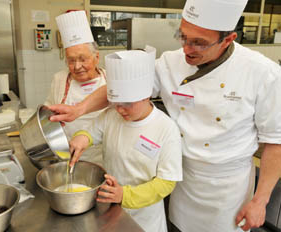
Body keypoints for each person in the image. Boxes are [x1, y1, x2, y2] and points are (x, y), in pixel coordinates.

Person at [48, 0, 281, 231]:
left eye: (199, 43)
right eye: (183, 37)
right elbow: (122, 87)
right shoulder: (171, 62)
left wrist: (260, 201)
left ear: (228, 39)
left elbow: (276, 142)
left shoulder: (263, 73)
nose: (187, 49)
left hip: (225, 189)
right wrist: (79, 109)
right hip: (181, 178)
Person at [69, 47, 182, 232]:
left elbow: (166, 182)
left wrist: (125, 195)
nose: (120, 110)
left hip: (145, 218)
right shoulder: (111, 115)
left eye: (127, 104)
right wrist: (81, 138)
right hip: (110, 210)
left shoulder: (166, 129)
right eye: (116, 103)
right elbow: (91, 132)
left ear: (147, 95)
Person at [44, 11, 106, 166]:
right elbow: (49, 106)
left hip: (103, 157)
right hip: (66, 154)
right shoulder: (59, 79)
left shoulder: (111, 80)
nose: (77, 67)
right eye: (71, 61)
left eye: (83, 59)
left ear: (96, 57)